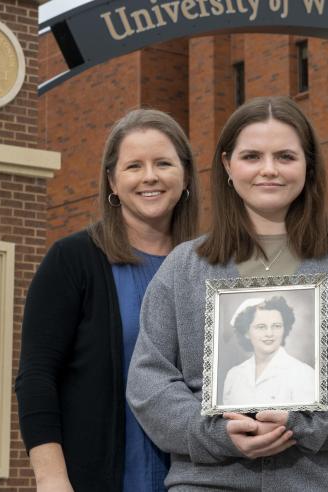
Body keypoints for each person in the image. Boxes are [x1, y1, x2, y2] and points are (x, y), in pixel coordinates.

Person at [127, 96, 328, 490]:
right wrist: (215, 434)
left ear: (308, 164)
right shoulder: (184, 267)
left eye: (285, 156)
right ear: (227, 165)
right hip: (209, 483)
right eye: (252, 157)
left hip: (327, 481)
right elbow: (149, 380)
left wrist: (312, 423)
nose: (269, 170)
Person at [14, 108, 199, 492]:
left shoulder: (211, 265)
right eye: (134, 166)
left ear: (185, 177)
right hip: (100, 478)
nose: (150, 176)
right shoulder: (73, 260)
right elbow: (37, 377)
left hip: (200, 478)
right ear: (112, 181)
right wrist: (51, 478)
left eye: (163, 163)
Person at [222, 296, 316, 406]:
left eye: (276, 326)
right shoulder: (234, 376)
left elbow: (308, 421)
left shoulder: (302, 373)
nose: (269, 333)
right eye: (261, 327)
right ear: (246, 332)